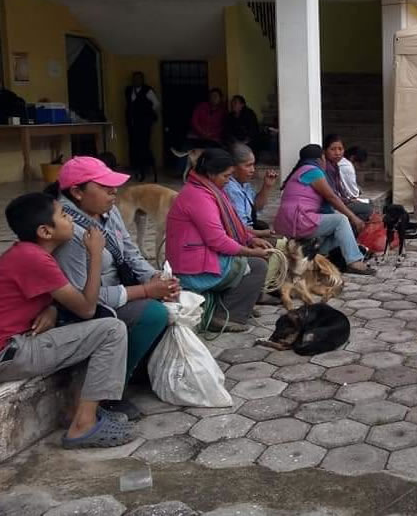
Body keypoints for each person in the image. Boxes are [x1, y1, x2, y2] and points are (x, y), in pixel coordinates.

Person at [0, 193, 134, 449]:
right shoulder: (34, 258)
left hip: (18, 344)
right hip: (11, 353)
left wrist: (51, 309)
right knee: (111, 330)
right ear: (45, 231)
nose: (71, 219)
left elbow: (49, 296)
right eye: (63, 215)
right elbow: (86, 308)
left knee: (89, 328)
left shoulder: (28, 253)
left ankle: (77, 410)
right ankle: (83, 425)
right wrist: (95, 254)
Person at [48, 157, 177, 420]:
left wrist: (156, 277)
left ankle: (138, 370)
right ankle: (106, 394)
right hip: (82, 307)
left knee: (170, 302)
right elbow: (81, 297)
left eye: (113, 186)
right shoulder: (68, 231)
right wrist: (144, 291)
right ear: (77, 192)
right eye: (105, 187)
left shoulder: (108, 210)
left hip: (114, 291)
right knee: (152, 313)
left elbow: (129, 252)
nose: (113, 192)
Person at [166, 149, 270, 333]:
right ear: (212, 174)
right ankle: (225, 316)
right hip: (193, 267)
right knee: (257, 265)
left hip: (201, 255)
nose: (228, 180)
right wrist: (251, 251)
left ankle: (237, 304)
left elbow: (230, 226)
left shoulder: (207, 190)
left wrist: (251, 239)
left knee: (252, 259)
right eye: (226, 176)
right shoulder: (199, 196)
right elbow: (218, 240)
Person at [276, 144, 375, 275]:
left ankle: (313, 253)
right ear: (320, 159)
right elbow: (331, 197)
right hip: (299, 220)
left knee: (341, 230)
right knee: (341, 220)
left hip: (289, 221)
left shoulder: (301, 170)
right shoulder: (312, 170)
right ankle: (354, 262)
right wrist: (353, 217)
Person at [224, 143, 278, 234]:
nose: (253, 170)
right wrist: (261, 234)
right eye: (248, 165)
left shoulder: (244, 184)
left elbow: (256, 207)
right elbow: (238, 228)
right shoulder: (230, 188)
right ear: (233, 167)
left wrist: (267, 186)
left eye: (253, 165)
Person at [322, 135, 374, 220]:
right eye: (333, 149)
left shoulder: (335, 165)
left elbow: (340, 190)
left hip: (342, 200)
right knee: (367, 209)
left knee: (367, 205)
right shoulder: (327, 167)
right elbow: (332, 195)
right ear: (325, 151)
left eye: (340, 149)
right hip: (332, 206)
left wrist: (348, 200)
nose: (337, 153)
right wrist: (349, 201)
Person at [125, 72, 160, 183]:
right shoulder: (128, 90)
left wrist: (147, 114)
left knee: (144, 146)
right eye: (134, 79)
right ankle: (136, 168)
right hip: (133, 123)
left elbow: (156, 104)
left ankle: (145, 169)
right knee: (134, 146)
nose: (136, 81)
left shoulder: (148, 90)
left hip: (144, 124)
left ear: (142, 80)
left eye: (139, 79)